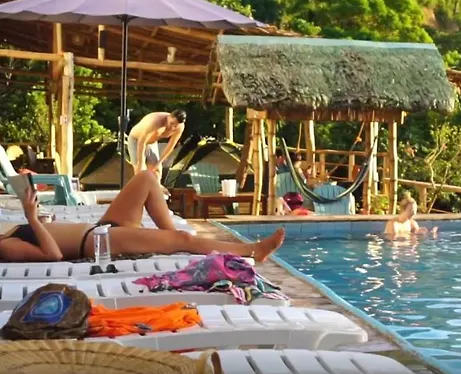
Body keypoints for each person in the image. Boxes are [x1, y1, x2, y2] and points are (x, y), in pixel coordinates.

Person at [0, 170, 285, 263]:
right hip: (100, 242)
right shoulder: (4, 247)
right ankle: (252, 251)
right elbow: (53, 255)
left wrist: (40, 220)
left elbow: (49, 238)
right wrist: (32, 219)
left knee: (147, 178)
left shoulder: (6, 234)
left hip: (103, 228)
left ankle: (170, 242)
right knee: (183, 238)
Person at [128, 110, 187, 183]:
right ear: (168, 117)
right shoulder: (155, 122)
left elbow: (171, 145)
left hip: (152, 142)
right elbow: (142, 141)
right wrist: (140, 162)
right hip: (136, 140)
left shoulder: (180, 127)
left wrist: (159, 162)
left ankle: (155, 187)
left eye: (175, 126)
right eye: (171, 123)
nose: (172, 128)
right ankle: (141, 187)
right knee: (141, 171)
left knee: (157, 171)